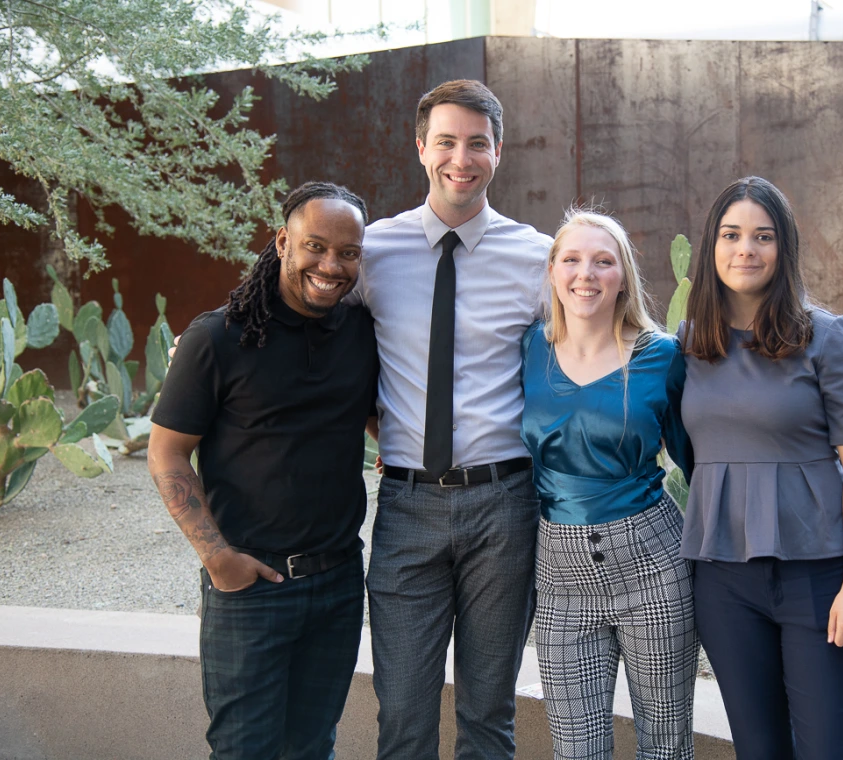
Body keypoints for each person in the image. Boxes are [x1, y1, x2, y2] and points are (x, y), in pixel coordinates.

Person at [351, 79, 552, 759]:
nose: (459, 158)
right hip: (407, 507)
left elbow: (588, 360)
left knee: (488, 711)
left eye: (476, 143)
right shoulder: (371, 252)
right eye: (445, 142)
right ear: (420, 148)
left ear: (499, 151)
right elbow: (315, 340)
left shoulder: (539, 258)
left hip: (505, 507)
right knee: (403, 711)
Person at [147, 182, 378, 760]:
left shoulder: (360, 332)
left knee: (312, 748)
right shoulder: (214, 338)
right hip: (251, 586)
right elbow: (167, 454)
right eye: (315, 247)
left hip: (338, 582)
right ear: (283, 242)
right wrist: (218, 560)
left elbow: (380, 418)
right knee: (243, 751)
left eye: (347, 253)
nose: (330, 265)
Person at [679, 176, 843, 759]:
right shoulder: (686, 346)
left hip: (817, 580)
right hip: (723, 582)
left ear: (782, 248)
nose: (747, 249)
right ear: (712, 246)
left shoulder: (826, 337)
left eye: (763, 236)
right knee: (759, 751)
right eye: (732, 234)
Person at [520, 210, 697, 759]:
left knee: (665, 744)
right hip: (560, 576)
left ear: (623, 276)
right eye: (571, 259)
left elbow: (699, 461)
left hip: (652, 567)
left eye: (603, 261)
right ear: (552, 271)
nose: (586, 274)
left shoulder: (661, 356)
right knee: (577, 750)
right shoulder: (529, 348)